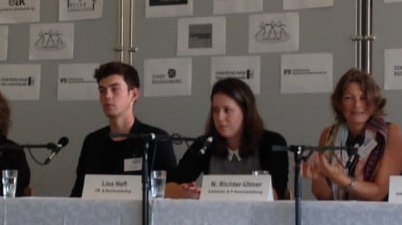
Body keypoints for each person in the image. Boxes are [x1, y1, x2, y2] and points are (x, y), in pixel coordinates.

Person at [166, 77, 289, 199]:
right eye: (215, 110)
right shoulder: (204, 144)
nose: (220, 117)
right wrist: (185, 193)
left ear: (245, 111)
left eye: (227, 110)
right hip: (213, 217)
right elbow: (168, 187)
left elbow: (276, 194)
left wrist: (210, 194)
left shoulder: (272, 143)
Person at [70, 61, 177, 197]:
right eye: (102, 90)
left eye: (115, 89)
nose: (107, 96)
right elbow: (78, 194)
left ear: (134, 94)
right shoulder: (92, 142)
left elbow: (171, 192)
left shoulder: (156, 139)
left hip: (143, 217)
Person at [301, 69, 402, 201]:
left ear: (374, 102)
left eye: (363, 98)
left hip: (381, 218)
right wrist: (317, 177)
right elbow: (325, 197)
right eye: (348, 98)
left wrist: (338, 178)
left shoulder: (391, 133)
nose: (357, 105)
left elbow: (378, 193)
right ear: (339, 103)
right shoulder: (328, 134)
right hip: (338, 216)